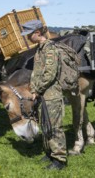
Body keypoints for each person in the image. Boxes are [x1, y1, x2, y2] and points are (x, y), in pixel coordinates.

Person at [20, 20, 67, 170]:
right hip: (43, 95)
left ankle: (59, 159)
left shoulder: (50, 49)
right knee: (45, 125)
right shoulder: (40, 49)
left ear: (37, 33)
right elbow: (38, 73)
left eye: (29, 35)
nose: (27, 38)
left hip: (51, 95)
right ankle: (49, 153)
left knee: (54, 127)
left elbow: (50, 74)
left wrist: (37, 90)